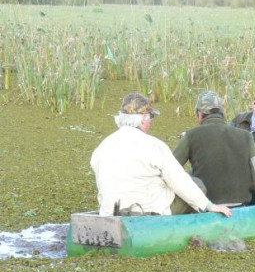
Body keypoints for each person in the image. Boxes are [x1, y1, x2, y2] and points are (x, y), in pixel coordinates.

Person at [91, 92, 232, 217]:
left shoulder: (103, 146)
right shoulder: (154, 146)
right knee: (197, 184)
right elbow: (179, 180)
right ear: (143, 119)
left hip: (109, 213)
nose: (151, 120)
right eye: (151, 116)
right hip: (148, 213)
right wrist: (209, 206)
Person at [173, 91, 255, 214]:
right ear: (223, 113)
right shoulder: (245, 136)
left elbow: (170, 168)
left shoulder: (191, 135)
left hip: (209, 206)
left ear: (199, 114)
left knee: (189, 175)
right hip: (241, 203)